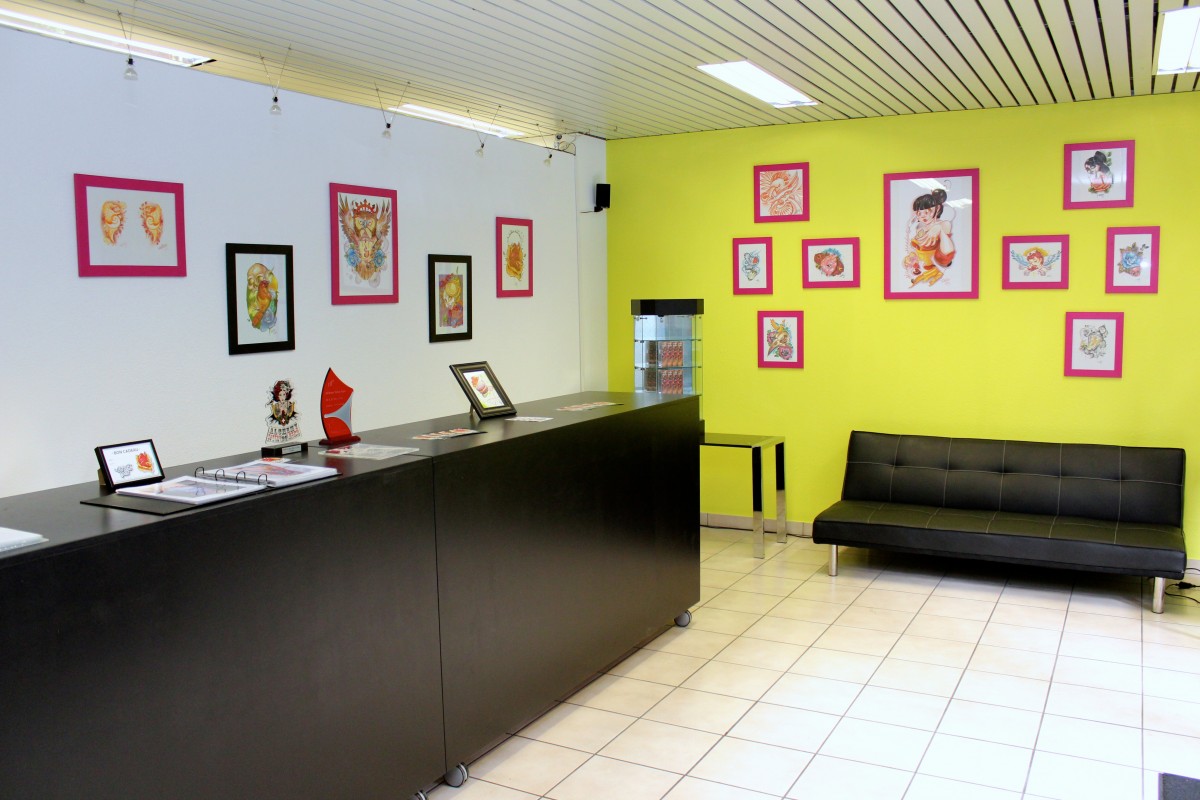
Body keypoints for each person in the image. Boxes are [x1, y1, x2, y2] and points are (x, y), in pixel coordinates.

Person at [903, 188, 955, 287]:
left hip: (940, 260)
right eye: (919, 213)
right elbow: (916, 245)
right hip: (924, 262)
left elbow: (947, 225)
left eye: (927, 212)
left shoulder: (943, 224)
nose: (923, 216)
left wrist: (938, 228)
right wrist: (913, 256)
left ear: (937, 209)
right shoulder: (920, 227)